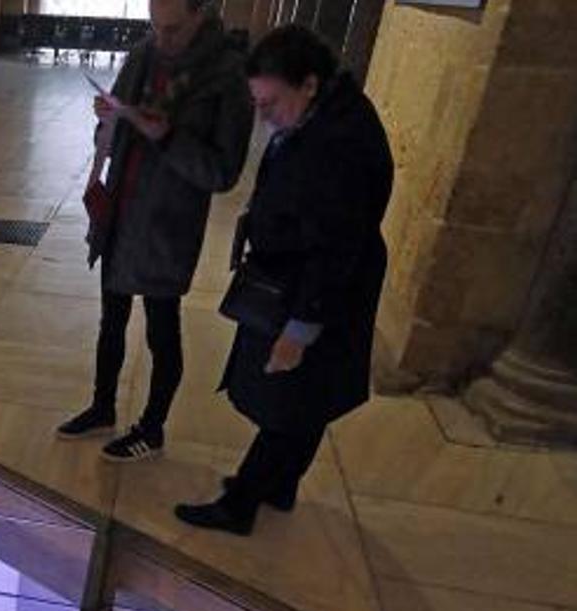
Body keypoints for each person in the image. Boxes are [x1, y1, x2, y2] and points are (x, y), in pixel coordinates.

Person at [175, 25, 394, 535]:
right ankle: (280, 484)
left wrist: (300, 329)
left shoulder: (340, 145)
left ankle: (241, 504)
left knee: (289, 398)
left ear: (309, 84)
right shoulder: (325, 117)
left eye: (271, 103)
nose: (263, 115)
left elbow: (336, 244)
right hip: (303, 277)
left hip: (316, 290)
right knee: (301, 398)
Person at [56, 0, 254, 462]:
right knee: (112, 321)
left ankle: (153, 427)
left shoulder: (226, 76)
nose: (161, 39)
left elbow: (222, 172)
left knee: (162, 332)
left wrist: (165, 135)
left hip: (167, 225)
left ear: (201, 16)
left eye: (173, 29)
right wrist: (108, 118)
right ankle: (102, 407)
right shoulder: (144, 55)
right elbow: (118, 126)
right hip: (121, 214)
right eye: (154, 26)